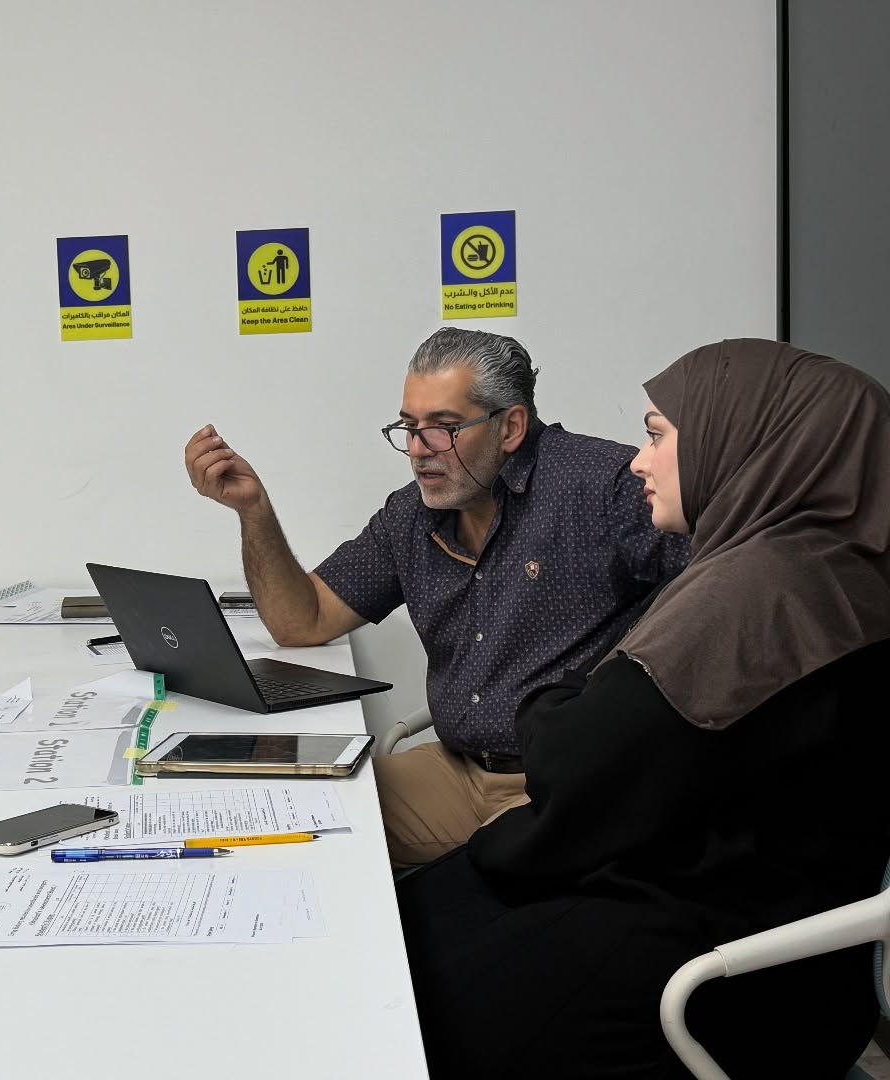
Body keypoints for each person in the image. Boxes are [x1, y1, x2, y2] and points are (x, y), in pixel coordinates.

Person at [397, 339, 890, 1078]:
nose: (638, 461)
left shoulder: (752, 594)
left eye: (658, 436)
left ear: (741, 444)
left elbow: (575, 765)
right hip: (784, 947)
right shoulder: (832, 571)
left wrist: (559, 699)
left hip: (720, 970)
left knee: (405, 987)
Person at [184, 327, 688, 865]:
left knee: (472, 893)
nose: (417, 450)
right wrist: (253, 511)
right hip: (455, 769)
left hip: (563, 786)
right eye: (409, 426)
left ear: (511, 426)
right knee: (291, 823)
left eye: (444, 428)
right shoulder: (412, 514)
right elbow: (302, 621)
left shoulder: (603, 487)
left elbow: (722, 591)